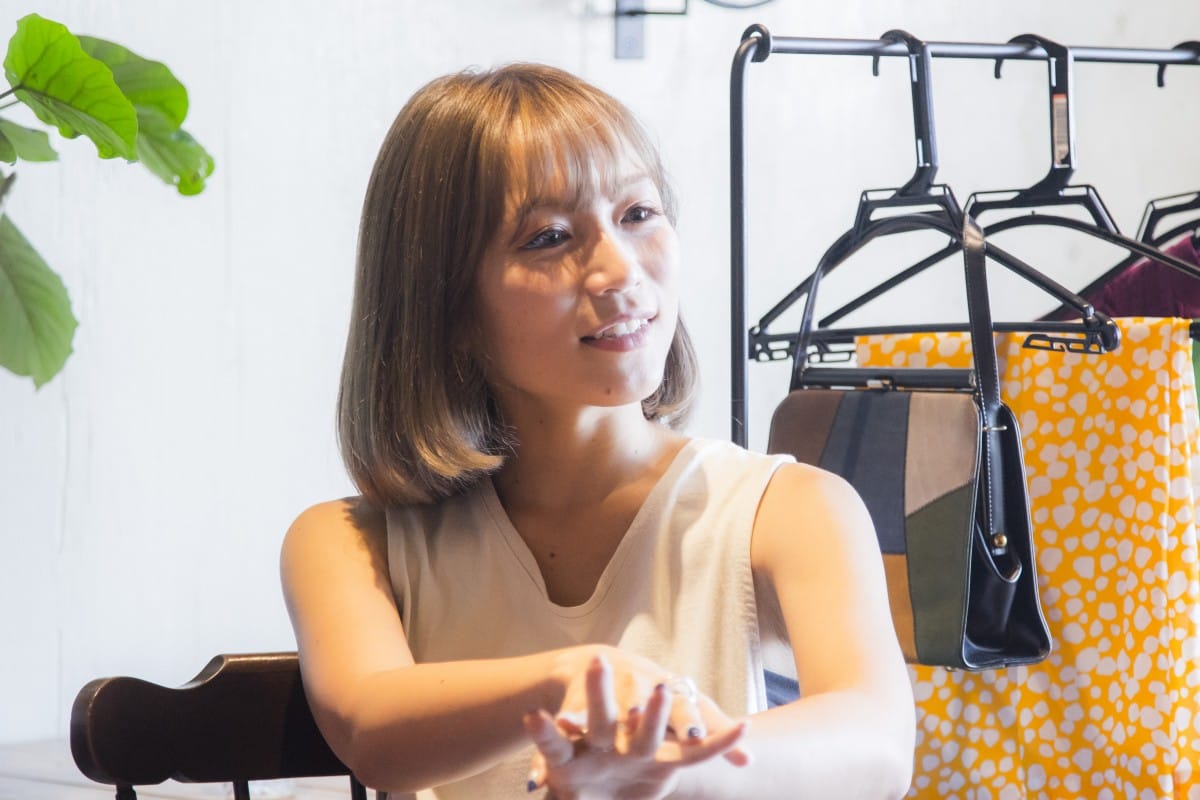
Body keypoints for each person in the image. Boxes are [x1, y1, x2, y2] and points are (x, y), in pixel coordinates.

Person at [280, 63, 915, 799]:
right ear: (445, 308)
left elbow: (877, 747)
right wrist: (582, 680)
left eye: (638, 214)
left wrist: (681, 764)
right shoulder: (350, 544)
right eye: (549, 238)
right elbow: (372, 730)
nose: (618, 269)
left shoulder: (791, 508)